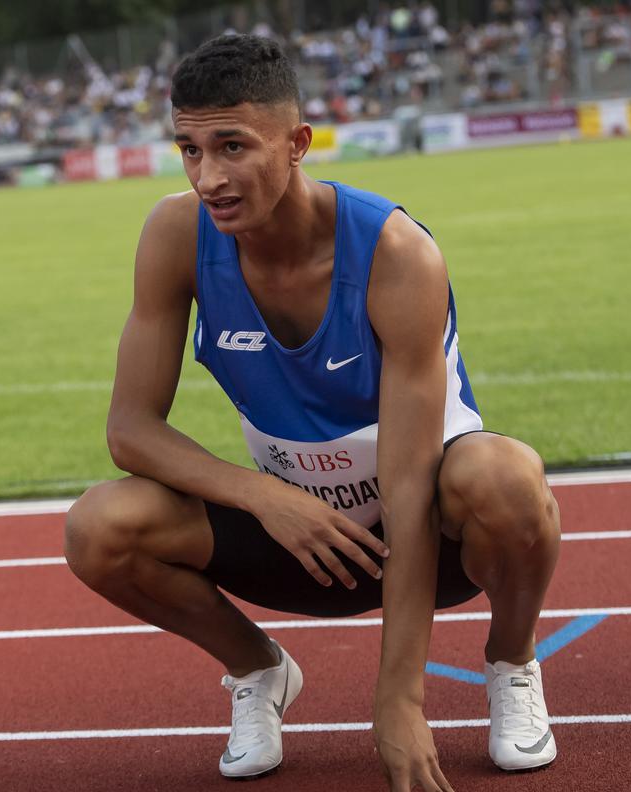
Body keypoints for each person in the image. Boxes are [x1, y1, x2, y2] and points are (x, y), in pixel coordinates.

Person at [64, 34, 561, 791]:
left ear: (298, 143)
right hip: (295, 534)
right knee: (99, 528)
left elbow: (405, 486)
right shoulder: (174, 235)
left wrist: (400, 697)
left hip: (424, 524)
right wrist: (268, 497)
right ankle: (258, 669)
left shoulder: (395, 253)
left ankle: (512, 661)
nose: (209, 178)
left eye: (232, 146)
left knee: (508, 476)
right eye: (190, 150)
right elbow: (129, 430)